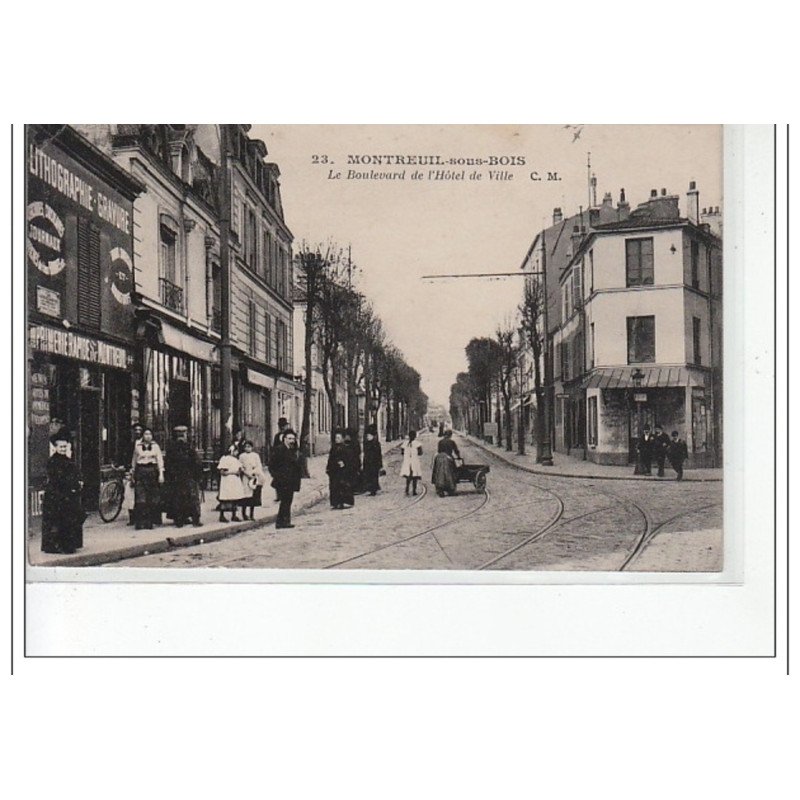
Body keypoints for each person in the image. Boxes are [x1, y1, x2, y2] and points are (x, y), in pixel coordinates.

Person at [41, 433, 84, 554]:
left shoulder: (69, 460)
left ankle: (70, 545)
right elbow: (57, 479)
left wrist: (78, 482)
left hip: (68, 494)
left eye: (65, 447)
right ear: (55, 448)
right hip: (56, 495)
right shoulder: (52, 461)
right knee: (58, 521)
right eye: (61, 447)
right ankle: (57, 546)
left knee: (69, 520)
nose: (63, 449)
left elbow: (75, 474)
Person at [164, 425, 203, 528]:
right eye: (181, 434)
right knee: (189, 497)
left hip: (181, 476)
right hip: (184, 475)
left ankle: (182, 519)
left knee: (182, 497)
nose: (182, 436)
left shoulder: (173, 447)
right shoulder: (188, 446)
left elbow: (168, 463)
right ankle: (191, 518)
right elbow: (196, 461)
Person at [130, 427, 164, 530]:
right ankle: (139, 522)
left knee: (150, 497)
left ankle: (149, 522)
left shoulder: (155, 447)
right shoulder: (138, 447)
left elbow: (160, 461)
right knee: (140, 497)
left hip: (152, 471)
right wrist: (132, 474)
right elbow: (134, 461)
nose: (147, 436)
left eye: (149, 434)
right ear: (143, 436)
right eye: (146, 434)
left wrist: (161, 474)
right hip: (141, 471)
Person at [268, 429, 302, 528]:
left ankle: (284, 521)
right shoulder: (279, 449)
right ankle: (281, 522)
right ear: (284, 439)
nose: (291, 440)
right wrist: (277, 476)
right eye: (289, 438)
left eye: (293, 438)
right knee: (285, 501)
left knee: (288, 501)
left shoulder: (293, 450)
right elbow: (271, 465)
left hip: (291, 480)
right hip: (282, 480)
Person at [239, 440, 267, 520]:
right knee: (245, 495)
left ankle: (251, 514)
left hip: (254, 477)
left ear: (252, 447)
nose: (247, 448)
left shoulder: (255, 455)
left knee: (253, 496)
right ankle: (244, 514)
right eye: (246, 447)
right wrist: (246, 473)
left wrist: (254, 473)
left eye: (249, 447)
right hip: (245, 477)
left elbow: (259, 466)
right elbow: (240, 466)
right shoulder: (242, 456)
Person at [217, 447, 245, 522]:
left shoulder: (236, 460)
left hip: (235, 481)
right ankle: (222, 515)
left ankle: (234, 515)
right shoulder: (225, 459)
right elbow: (222, 472)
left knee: (235, 497)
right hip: (227, 481)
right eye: (235, 451)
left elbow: (240, 470)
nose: (237, 453)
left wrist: (239, 471)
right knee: (225, 497)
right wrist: (233, 472)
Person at [327, 429, 352, 510]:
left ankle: (343, 502)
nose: (336, 439)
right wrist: (328, 468)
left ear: (342, 439)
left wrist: (344, 463)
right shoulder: (333, 448)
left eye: (338, 438)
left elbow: (348, 459)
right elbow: (330, 459)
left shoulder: (345, 448)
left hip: (342, 471)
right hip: (334, 470)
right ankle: (335, 503)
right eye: (336, 438)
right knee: (334, 487)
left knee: (342, 486)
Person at [432, 430, 460, 497]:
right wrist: (458, 457)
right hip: (448, 458)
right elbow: (456, 451)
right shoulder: (452, 442)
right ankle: (450, 489)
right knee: (451, 472)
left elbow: (439, 451)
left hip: (439, 458)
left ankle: (440, 489)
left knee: (439, 473)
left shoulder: (440, 442)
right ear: (450, 435)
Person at [362, 425, 384, 496]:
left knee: (374, 476)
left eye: (369, 436)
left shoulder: (376, 444)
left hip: (374, 463)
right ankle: (371, 489)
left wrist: (380, 464)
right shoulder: (366, 444)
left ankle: (373, 490)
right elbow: (365, 454)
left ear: (372, 436)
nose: (367, 437)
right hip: (368, 462)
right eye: (367, 436)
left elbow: (378, 454)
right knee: (369, 476)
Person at [400, 429, 423, 496]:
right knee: (414, 476)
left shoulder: (404, 443)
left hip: (407, 461)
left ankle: (407, 490)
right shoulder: (417, 444)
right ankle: (414, 491)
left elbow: (402, 452)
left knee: (408, 476)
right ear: (415, 436)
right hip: (414, 461)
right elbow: (420, 453)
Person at [344, 428, 363, 493]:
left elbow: (357, 452)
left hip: (354, 461)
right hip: (354, 461)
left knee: (354, 474)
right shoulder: (354, 442)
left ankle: (356, 488)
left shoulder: (354, 443)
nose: (346, 436)